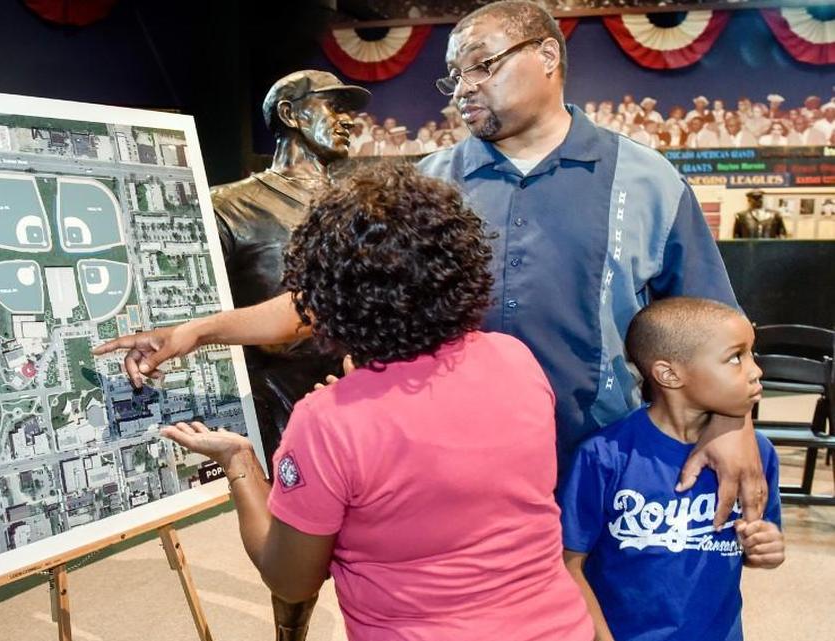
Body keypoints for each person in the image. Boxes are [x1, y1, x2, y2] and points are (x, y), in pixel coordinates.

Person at [96, 0, 769, 529]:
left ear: (547, 56)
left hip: (600, 461)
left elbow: (713, 327)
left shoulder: (647, 180)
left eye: (482, 66)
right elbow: (328, 302)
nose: (462, 89)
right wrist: (198, 330)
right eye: (454, 75)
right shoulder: (425, 185)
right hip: (447, 469)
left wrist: (731, 424)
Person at [161, 163, 593, 641]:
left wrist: (239, 461)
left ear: (322, 294)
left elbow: (290, 578)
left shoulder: (327, 422)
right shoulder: (514, 359)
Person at [206, 68, 370, 641]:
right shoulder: (228, 206)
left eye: (351, 109)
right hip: (280, 401)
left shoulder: (360, 203)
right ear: (292, 114)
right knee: (295, 551)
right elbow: (211, 308)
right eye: (333, 106)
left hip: (360, 394)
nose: (347, 120)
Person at [559, 297, 783, 641]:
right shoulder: (603, 456)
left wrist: (765, 548)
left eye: (752, 354)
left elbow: (754, 546)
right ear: (669, 375)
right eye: (736, 357)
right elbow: (569, 562)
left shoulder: (757, 454)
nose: (756, 370)